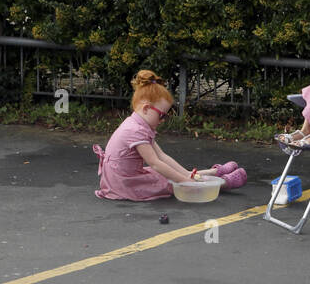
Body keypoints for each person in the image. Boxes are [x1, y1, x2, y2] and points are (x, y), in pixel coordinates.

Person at [93, 70, 247, 201]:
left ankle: (213, 173)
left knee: (171, 175)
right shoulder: (135, 131)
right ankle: (222, 183)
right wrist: (185, 182)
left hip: (124, 177)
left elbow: (161, 156)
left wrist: (185, 175)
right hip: (124, 184)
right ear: (146, 108)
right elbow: (155, 163)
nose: (163, 120)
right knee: (170, 181)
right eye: (162, 115)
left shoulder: (138, 124)